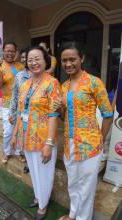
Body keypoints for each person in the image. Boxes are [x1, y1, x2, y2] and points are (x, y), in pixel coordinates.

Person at [54, 41, 113, 220]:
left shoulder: (94, 82)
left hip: (90, 144)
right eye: (64, 60)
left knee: (86, 187)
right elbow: (65, 118)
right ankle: (73, 215)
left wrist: (100, 139)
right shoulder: (63, 86)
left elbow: (108, 114)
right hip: (69, 143)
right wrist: (60, 110)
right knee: (73, 183)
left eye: (72, 59)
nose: (68, 64)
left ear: (82, 59)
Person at [10, 46, 61, 220]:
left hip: (44, 137)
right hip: (27, 136)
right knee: (33, 169)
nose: (33, 63)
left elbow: (54, 114)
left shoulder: (52, 83)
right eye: (30, 60)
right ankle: (39, 197)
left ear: (45, 60)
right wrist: (15, 135)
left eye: (37, 59)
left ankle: (43, 205)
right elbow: (20, 112)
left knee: (45, 172)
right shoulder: (25, 84)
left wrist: (49, 143)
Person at [0, 41, 24, 163]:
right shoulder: (0, 66)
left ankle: (17, 152)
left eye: (12, 51)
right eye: (7, 51)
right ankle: (6, 152)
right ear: (3, 51)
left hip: (21, 105)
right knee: (8, 131)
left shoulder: (20, 66)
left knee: (20, 130)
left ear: (16, 52)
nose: (9, 53)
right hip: (7, 104)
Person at [9, 47, 32, 168]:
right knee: (23, 139)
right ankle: (28, 163)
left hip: (35, 115)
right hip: (21, 114)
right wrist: (11, 113)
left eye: (27, 57)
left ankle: (32, 164)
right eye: (23, 57)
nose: (25, 60)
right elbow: (15, 96)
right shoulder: (18, 76)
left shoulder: (40, 75)